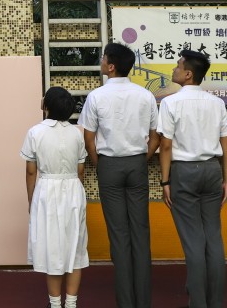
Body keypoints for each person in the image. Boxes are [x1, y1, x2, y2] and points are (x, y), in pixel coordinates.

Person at [78, 42, 159, 308]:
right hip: (137, 163)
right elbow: (156, 136)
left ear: (111, 66)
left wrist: (99, 163)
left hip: (109, 164)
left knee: (118, 234)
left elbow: (88, 139)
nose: (101, 62)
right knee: (141, 231)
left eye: (103, 59)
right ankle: (143, 300)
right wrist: (142, 157)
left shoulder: (96, 96)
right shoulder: (145, 95)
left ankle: (126, 302)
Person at [158, 49, 227, 308]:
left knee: (192, 241)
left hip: (184, 172)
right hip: (212, 170)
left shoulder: (170, 103)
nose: (174, 69)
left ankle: (198, 303)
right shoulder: (217, 103)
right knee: (213, 237)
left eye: (178, 66)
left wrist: (165, 181)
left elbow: (165, 146)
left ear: (188, 74)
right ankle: (215, 302)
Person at [23, 86, 89, 308]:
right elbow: (81, 171)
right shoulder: (76, 133)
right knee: (75, 249)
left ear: (46, 106)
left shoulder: (35, 132)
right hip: (73, 189)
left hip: (46, 190)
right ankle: (71, 304)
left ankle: (55, 304)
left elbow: (31, 171)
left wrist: (31, 199)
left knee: (52, 248)